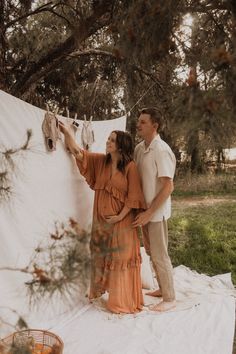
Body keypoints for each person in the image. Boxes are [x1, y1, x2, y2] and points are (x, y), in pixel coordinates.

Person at [59, 121, 146, 314]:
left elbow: (134, 198)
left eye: (112, 140)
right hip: (101, 221)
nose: (108, 142)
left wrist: (119, 217)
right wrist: (66, 132)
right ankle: (98, 291)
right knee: (100, 254)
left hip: (122, 222)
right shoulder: (100, 162)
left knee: (120, 258)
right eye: (108, 139)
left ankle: (122, 301)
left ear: (121, 145)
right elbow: (77, 152)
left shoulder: (130, 167)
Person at [133, 107, 176, 312]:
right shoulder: (140, 148)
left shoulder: (161, 149)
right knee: (151, 252)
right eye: (139, 121)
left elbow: (168, 186)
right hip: (144, 212)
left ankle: (169, 298)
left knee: (160, 254)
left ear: (154, 126)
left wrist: (150, 212)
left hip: (156, 213)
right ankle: (161, 288)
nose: (138, 124)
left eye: (143, 122)